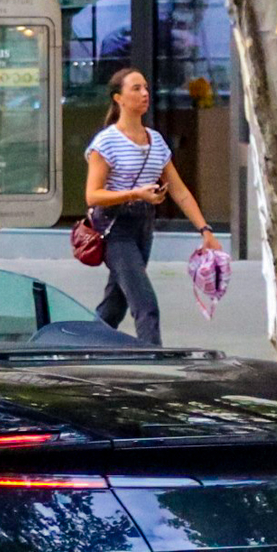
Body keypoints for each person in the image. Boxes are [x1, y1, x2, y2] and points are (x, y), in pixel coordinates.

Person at [83, 70, 218, 346]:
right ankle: (155, 364)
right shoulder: (106, 142)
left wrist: (205, 229)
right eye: (136, 88)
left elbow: (179, 191)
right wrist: (136, 193)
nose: (144, 93)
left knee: (114, 305)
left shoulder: (155, 140)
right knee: (146, 305)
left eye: (145, 87)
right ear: (119, 98)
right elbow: (92, 196)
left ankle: (81, 346)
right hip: (115, 229)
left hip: (143, 226)